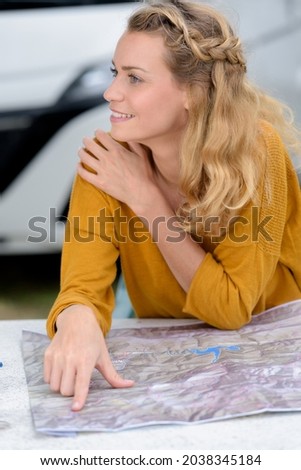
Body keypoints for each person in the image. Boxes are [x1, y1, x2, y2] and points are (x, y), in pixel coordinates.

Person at [44, 0, 301, 411]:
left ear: (193, 93)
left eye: (135, 78)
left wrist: (146, 198)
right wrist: (76, 318)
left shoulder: (255, 154)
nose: (111, 92)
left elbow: (232, 308)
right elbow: (82, 287)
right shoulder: (106, 160)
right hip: (170, 354)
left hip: (274, 343)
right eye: (115, 73)